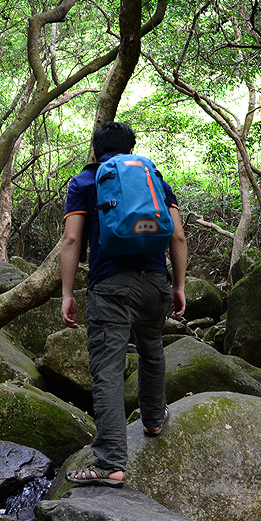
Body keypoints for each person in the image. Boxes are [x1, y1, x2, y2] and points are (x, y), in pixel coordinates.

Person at [60, 122, 187, 488]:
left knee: (108, 369)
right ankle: (153, 420)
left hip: (110, 287)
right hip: (154, 283)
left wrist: (68, 293)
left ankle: (111, 461)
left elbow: (71, 241)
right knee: (151, 350)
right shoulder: (154, 179)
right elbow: (177, 236)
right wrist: (177, 285)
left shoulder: (85, 182)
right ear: (132, 148)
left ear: (95, 151)